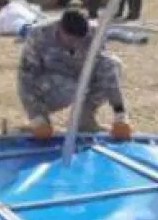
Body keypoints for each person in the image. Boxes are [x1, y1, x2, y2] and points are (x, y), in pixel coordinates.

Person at [18, 8, 133, 138]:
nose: (76, 43)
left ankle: (84, 120)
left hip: (81, 78)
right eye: (70, 39)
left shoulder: (94, 33)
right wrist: (36, 117)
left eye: (79, 39)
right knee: (71, 88)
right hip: (53, 86)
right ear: (61, 29)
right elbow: (25, 77)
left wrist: (120, 115)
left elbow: (107, 71)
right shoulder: (39, 35)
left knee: (112, 64)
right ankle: (42, 121)